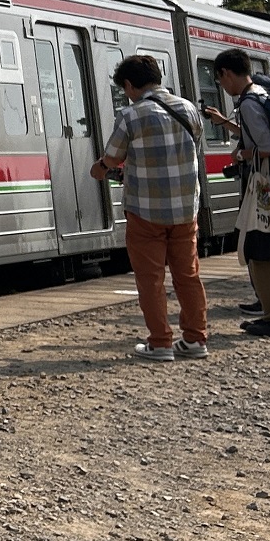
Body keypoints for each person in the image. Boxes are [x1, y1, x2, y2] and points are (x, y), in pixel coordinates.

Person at [89, 54, 208, 361]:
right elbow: (193, 149)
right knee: (188, 275)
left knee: (151, 279)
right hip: (185, 210)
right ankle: (195, 339)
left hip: (146, 212)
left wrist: (100, 168)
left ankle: (161, 343)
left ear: (130, 85)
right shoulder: (188, 109)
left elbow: (113, 157)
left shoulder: (131, 115)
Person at [206, 48, 270, 339]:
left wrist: (242, 154)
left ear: (226, 73)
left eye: (220, 80)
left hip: (266, 187)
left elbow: (266, 147)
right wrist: (228, 125)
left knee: (266, 252)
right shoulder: (261, 94)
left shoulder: (248, 102)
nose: (222, 86)